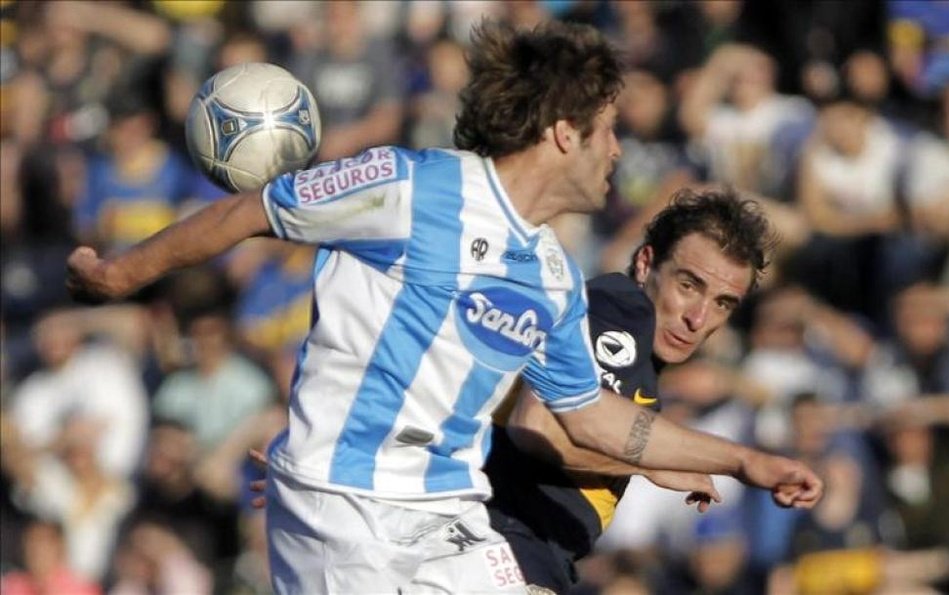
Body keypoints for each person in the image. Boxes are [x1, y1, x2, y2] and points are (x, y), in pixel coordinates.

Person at [67, 20, 822, 594]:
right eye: (608, 130)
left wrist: (744, 458)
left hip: (445, 510)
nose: (619, 151)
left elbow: (589, 416)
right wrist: (118, 273)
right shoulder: (410, 184)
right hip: (341, 503)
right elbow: (253, 211)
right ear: (565, 132)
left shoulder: (554, 274)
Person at [485, 187, 814, 593]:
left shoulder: (643, 358)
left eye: (723, 303)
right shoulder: (620, 310)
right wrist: (653, 465)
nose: (698, 318)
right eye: (689, 285)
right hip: (503, 545)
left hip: (526, 552)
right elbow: (541, 427)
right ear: (646, 263)